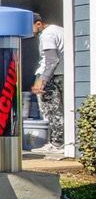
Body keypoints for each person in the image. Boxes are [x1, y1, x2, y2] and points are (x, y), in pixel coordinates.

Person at [30, 12, 65, 154]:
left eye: (29, 27)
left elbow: (52, 60)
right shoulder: (59, 30)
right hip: (62, 74)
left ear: (38, 24)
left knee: (52, 110)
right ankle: (60, 142)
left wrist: (42, 80)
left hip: (52, 76)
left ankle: (57, 143)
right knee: (60, 108)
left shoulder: (47, 35)